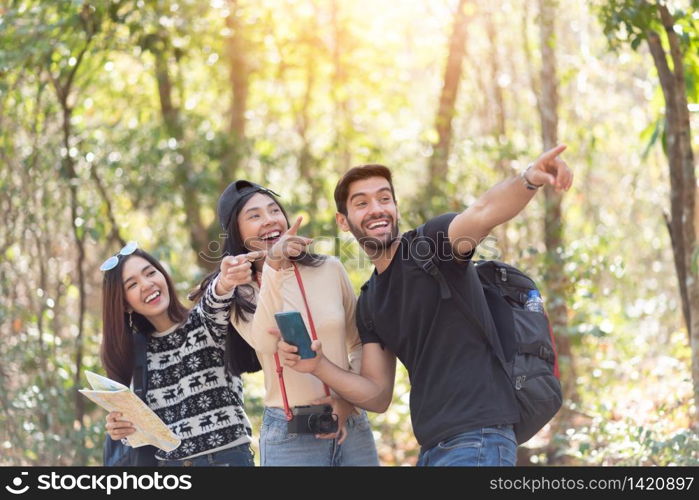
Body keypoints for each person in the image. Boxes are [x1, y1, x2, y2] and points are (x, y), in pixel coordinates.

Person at [278, 145, 574, 466]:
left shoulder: (431, 245)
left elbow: (483, 212)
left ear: (395, 207)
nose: (376, 209)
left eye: (384, 198)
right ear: (344, 221)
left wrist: (529, 178)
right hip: (433, 449)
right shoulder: (370, 300)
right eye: (361, 203)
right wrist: (318, 365)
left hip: (478, 437)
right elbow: (377, 394)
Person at [196, 180, 378, 466]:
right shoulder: (238, 291)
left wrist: (348, 401)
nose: (269, 220)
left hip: (350, 425)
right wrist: (273, 268)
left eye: (273, 210)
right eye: (254, 216)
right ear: (237, 232)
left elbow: (358, 342)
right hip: (290, 435)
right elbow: (266, 342)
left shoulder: (329, 268)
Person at [100, 243, 255, 466]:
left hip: (225, 458)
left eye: (150, 273)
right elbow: (143, 432)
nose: (147, 284)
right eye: (132, 284)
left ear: (163, 275)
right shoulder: (134, 353)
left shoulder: (205, 320)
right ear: (125, 305)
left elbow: (217, 296)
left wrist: (226, 279)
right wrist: (122, 431)